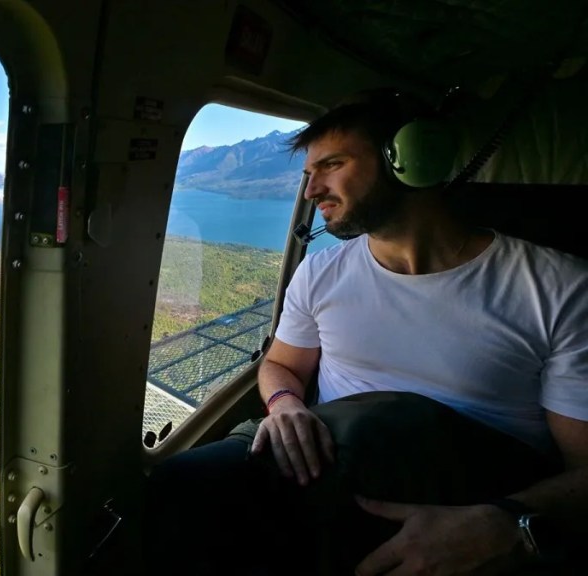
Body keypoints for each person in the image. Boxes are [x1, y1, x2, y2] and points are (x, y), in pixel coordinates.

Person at [142, 91, 588, 576]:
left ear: (411, 160)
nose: (312, 192)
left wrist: (504, 523)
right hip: (330, 468)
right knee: (178, 485)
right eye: (308, 176)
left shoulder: (558, 288)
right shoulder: (319, 275)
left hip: (469, 498)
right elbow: (281, 365)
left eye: (331, 165)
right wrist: (285, 404)